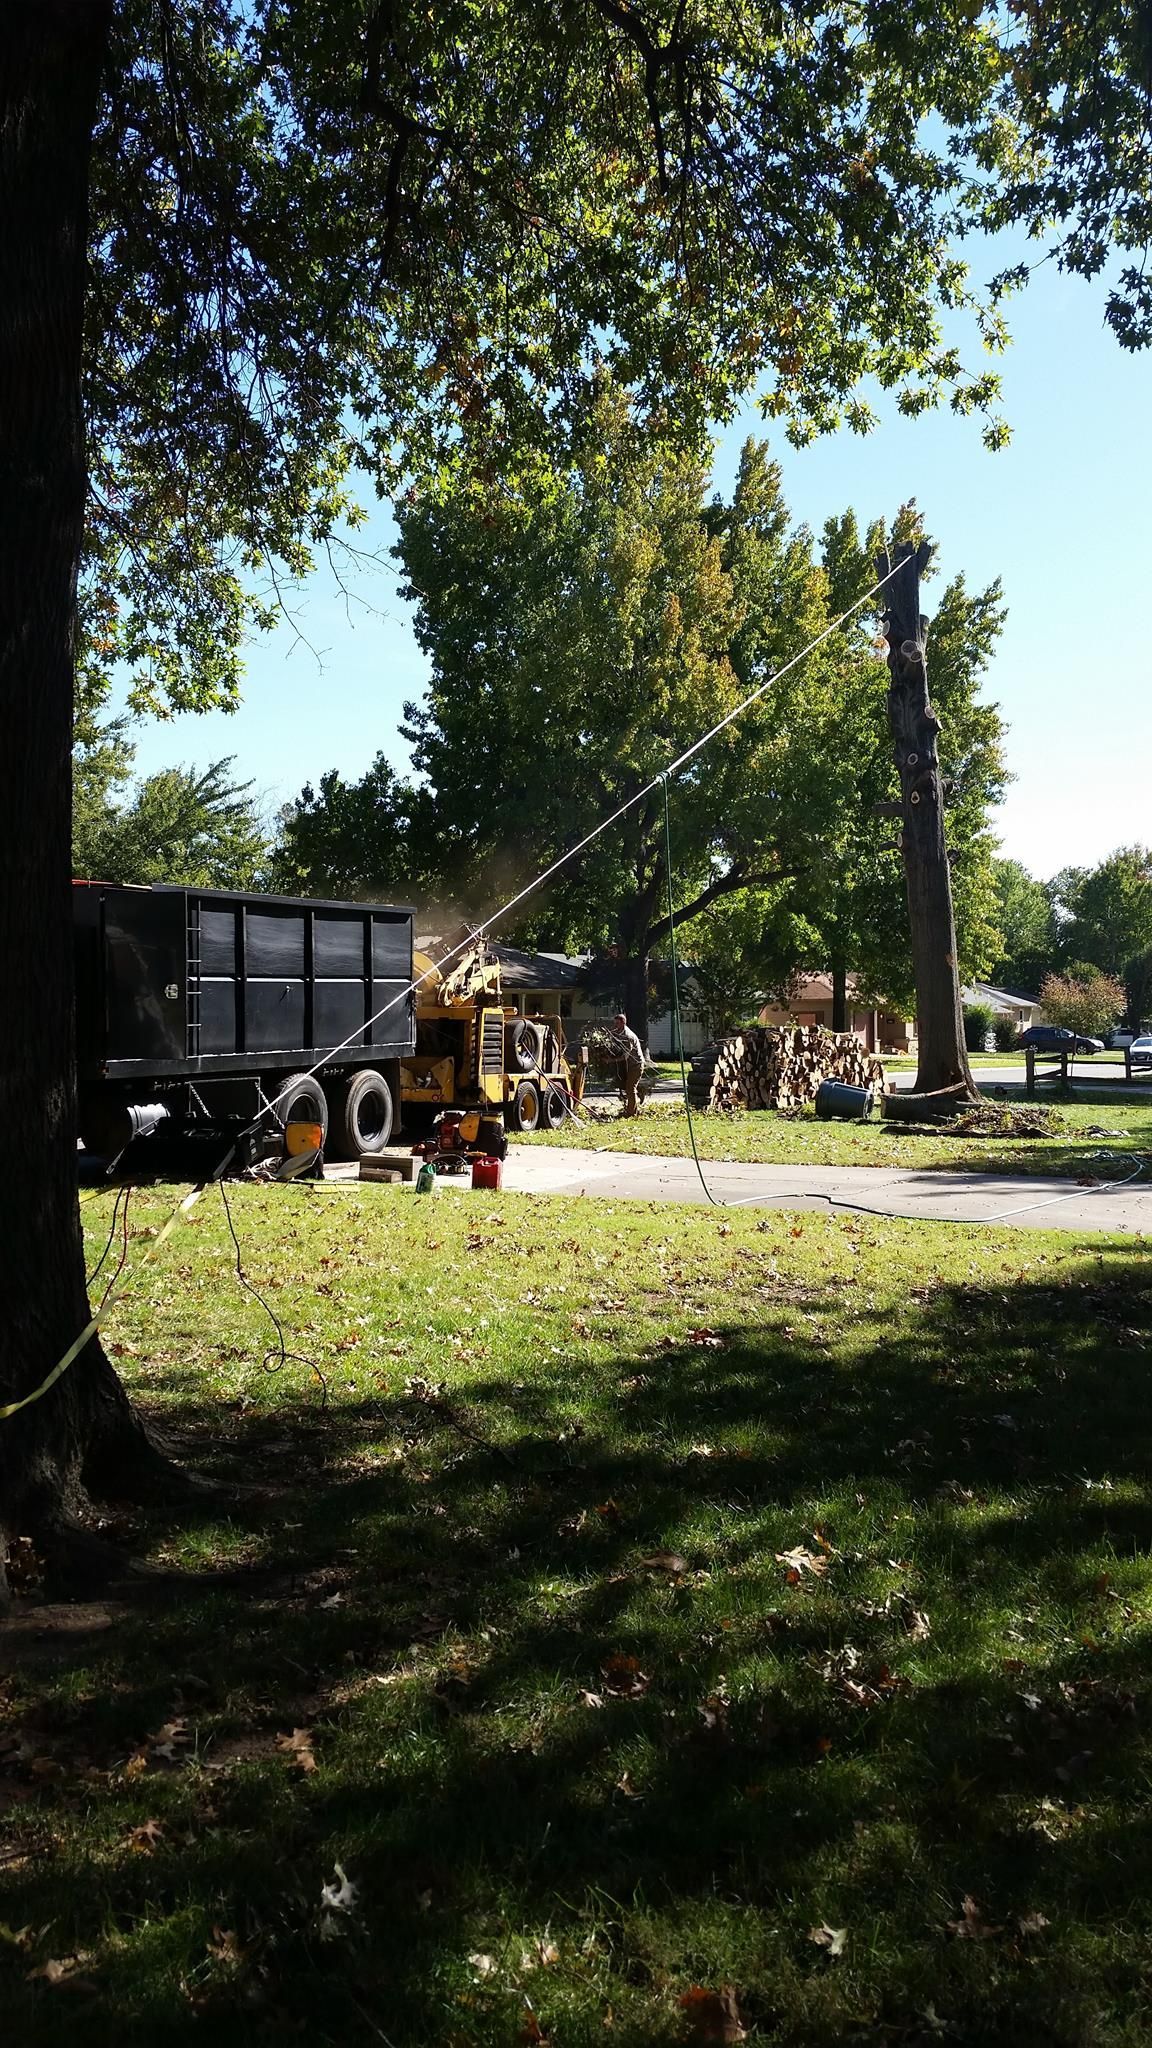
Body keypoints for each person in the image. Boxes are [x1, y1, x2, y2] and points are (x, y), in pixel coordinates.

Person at [608, 1011, 646, 1116]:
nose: (615, 1026)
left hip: (636, 1065)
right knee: (627, 1086)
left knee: (630, 1089)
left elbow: (625, 1056)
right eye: (614, 1023)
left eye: (617, 1024)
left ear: (623, 1023)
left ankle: (630, 1113)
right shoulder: (619, 1032)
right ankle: (639, 1094)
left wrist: (610, 1061)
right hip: (628, 1065)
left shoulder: (628, 1036)